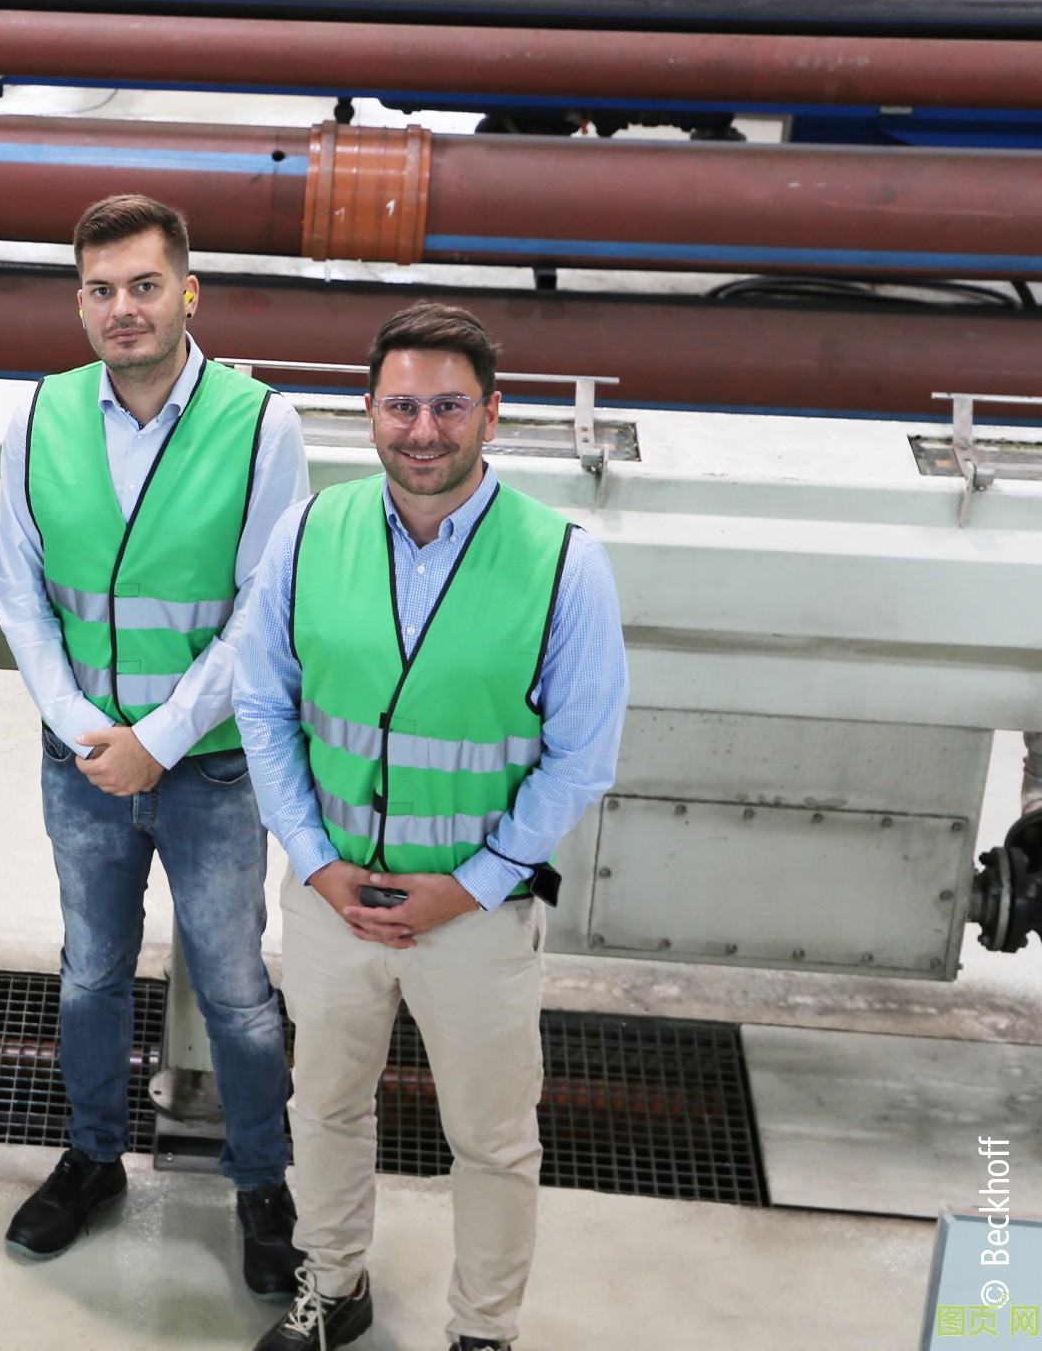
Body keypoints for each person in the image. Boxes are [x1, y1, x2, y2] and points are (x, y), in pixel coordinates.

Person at [230, 303, 627, 1351]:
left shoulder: (562, 563)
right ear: (368, 411)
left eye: (449, 407)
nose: (423, 430)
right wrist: (315, 861)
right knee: (323, 1111)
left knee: (491, 1141)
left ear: (491, 415)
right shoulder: (308, 534)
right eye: (401, 407)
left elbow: (581, 755)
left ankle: (483, 1329)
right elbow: (263, 704)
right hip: (333, 900)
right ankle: (334, 1288)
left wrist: (473, 883)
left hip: (475, 915)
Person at [0, 194, 310, 1289]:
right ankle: (92, 1158)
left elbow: (263, 611)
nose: (122, 308)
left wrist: (162, 739)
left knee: (233, 986)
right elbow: (21, 596)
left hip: (211, 768)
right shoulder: (40, 416)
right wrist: (84, 727)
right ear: (78, 303)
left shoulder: (260, 425)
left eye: (143, 285)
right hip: (81, 761)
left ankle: (262, 1182)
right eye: (100, 289)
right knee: (89, 973)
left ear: (188, 293)